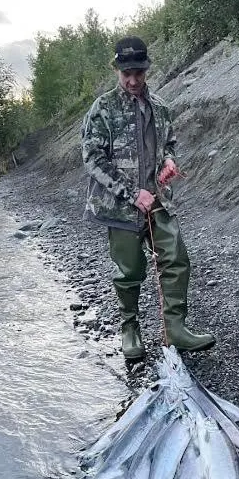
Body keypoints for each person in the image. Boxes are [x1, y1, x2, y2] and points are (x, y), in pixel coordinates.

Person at [81, 36, 216, 360]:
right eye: (126, 73)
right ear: (117, 70)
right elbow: (92, 158)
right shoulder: (103, 109)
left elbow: (168, 143)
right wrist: (131, 192)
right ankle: (130, 329)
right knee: (129, 271)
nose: (132, 80)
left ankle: (175, 331)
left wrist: (169, 161)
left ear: (146, 69)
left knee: (176, 258)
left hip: (157, 199)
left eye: (138, 72)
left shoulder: (161, 107)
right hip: (120, 207)